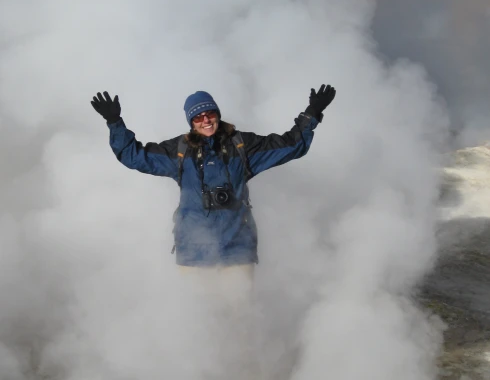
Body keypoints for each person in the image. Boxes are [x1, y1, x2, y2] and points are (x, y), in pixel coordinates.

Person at [90, 85, 336, 270]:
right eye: (198, 117)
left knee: (240, 321)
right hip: (193, 254)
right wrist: (114, 122)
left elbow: (291, 145)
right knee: (197, 325)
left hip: (238, 250)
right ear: (191, 122)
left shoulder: (243, 146)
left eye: (209, 114)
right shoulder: (179, 151)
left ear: (217, 114)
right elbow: (134, 156)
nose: (205, 120)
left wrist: (312, 112)